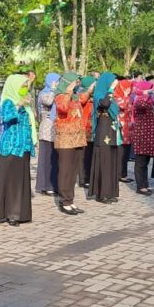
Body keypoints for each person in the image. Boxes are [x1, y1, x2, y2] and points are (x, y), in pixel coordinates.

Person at [0, 74, 37, 225]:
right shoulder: (7, 101)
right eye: (22, 86)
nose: (25, 88)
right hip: (11, 147)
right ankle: (11, 214)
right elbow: (5, 117)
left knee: (22, 180)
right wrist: (18, 105)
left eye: (26, 86)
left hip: (23, 146)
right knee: (12, 181)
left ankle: (22, 213)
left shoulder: (26, 102)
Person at [52, 72, 86, 215]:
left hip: (77, 138)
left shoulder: (75, 97)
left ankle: (70, 200)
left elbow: (84, 99)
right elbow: (63, 108)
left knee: (73, 171)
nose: (77, 84)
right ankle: (64, 202)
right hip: (65, 139)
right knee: (65, 171)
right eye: (75, 81)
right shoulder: (60, 96)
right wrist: (68, 92)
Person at [89, 73, 121, 204]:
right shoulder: (99, 94)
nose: (114, 84)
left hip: (111, 130)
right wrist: (111, 89)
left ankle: (110, 192)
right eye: (112, 82)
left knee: (112, 161)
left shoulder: (110, 95)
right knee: (104, 161)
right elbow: (105, 104)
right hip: (103, 131)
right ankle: (101, 194)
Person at [129, 81, 154, 195]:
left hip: (149, 135)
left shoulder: (150, 101)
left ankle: (145, 184)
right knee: (140, 162)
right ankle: (140, 187)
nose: (152, 91)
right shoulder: (139, 100)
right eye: (149, 88)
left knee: (145, 162)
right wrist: (146, 94)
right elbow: (140, 106)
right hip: (142, 135)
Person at [35, 73, 60, 196]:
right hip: (46, 129)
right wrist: (54, 89)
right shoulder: (43, 93)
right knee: (46, 159)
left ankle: (53, 184)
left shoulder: (55, 93)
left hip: (55, 129)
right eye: (56, 81)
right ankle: (45, 185)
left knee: (54, 158)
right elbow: (49, 102)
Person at [114, 78, 134, 183]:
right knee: (120, 153)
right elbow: (122, 106)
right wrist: (126, 96)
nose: (129, 90)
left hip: (128, 128)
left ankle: (123, 174)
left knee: (125, 153)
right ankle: (119, 174)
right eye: (127, 88)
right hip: (120, 128)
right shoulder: (116, 97)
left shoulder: (128, 97)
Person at [78, 76, 96, 189]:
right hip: (84, 129)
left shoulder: (93, 96)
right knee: (84, 156)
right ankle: (83, 179)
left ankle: (89, 177)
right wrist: (89, 91)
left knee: (90, 155)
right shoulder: (81, 94)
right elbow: (82, 100)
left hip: (93, 129)